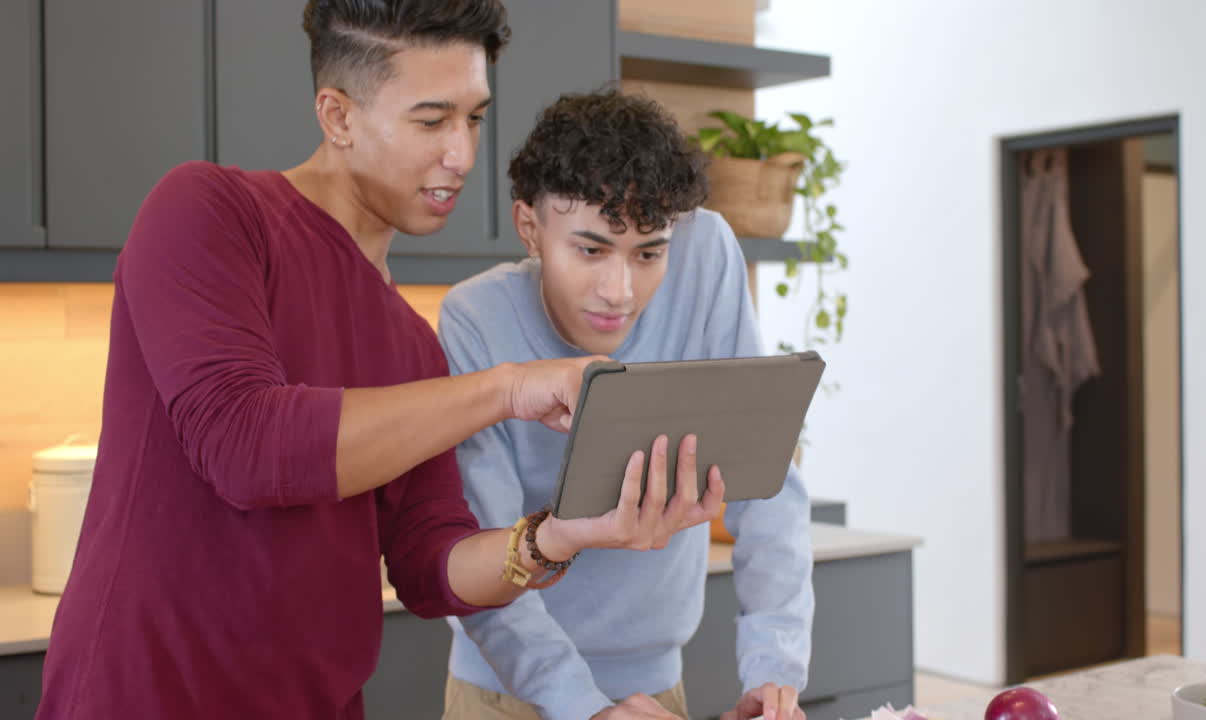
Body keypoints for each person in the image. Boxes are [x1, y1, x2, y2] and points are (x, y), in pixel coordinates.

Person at [34, 4, 724, 719]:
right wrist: (509, 388)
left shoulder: (409, 342)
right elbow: (246, 445)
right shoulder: (208, 213)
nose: (461, 154)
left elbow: (431, 564)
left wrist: (561, 534)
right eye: (432, 121)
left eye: (474, 119)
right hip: (144, 700)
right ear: (337, 116)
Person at [438, 90, 816, 720]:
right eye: (590, 250)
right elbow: (483, 544)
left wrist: (774, 667)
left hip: (657, 688)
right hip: (505, 692)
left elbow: (766, 476)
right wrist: (582, 706)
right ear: (530, 228)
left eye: (649, 253)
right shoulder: (475, 318)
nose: (620, 292)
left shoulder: (706, 255)